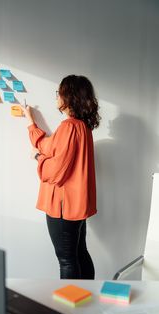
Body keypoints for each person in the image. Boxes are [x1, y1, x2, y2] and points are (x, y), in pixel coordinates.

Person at [20, 75, 101, 279]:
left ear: (69, 97)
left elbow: (55, 171)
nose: (57, 96)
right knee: (79, 253)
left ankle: (70, 309)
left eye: (59, 92)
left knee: (67, 260)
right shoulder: (82, 127)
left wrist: (38, 158)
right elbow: (49, 145)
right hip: (76, 206)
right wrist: (31, 122)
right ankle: (86, 302)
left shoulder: (69, 127)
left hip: (63, 206)